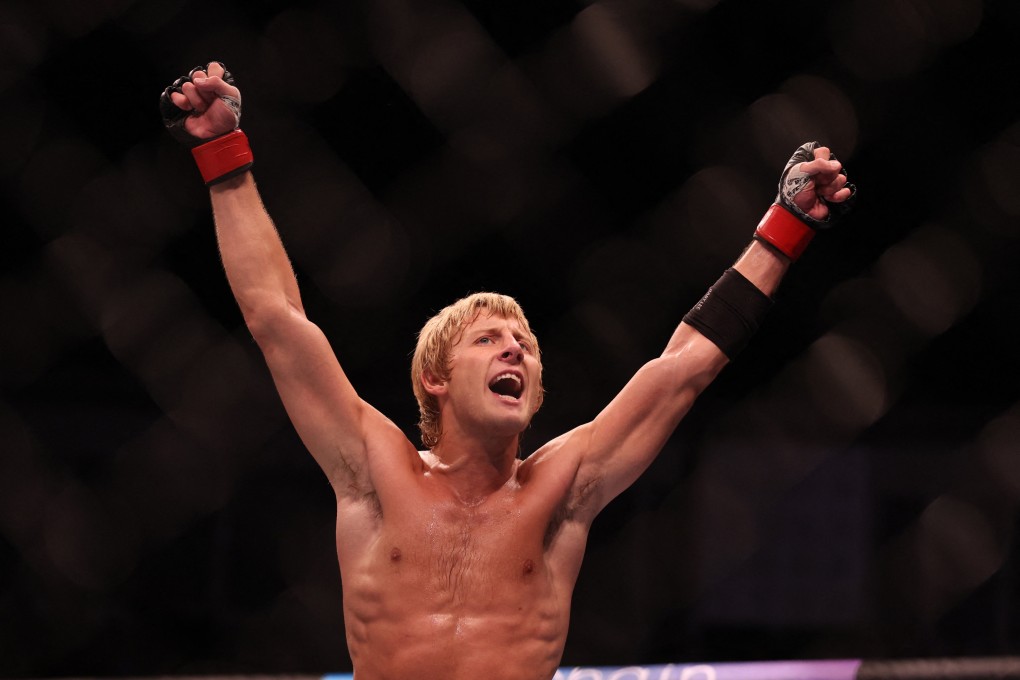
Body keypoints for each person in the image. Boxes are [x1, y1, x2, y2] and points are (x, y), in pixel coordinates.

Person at [160, 62, 854, 680]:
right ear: (435, 378)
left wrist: (784, 228)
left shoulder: (564, 486)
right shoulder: (374, 469)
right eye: (489, 340)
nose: (516, 350)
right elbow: (277, 321)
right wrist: (224, 157)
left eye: (524, 344)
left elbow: (683, 368)